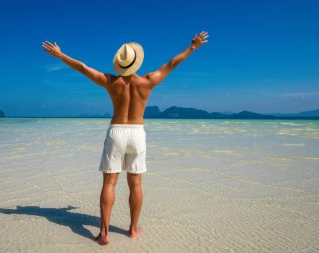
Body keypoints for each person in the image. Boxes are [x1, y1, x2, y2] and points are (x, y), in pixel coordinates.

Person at [42, 31, 209, 245]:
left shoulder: (111, 82)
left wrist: (61, 55)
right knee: (136, 184)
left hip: (116, 132)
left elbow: (83, 68)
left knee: (109, 182)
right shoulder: (148, 81)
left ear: (119, 65)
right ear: (137, 63)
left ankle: (104, 234)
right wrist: (192, 47)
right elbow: (172, 64)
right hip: (137, 134)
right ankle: (132, 230)